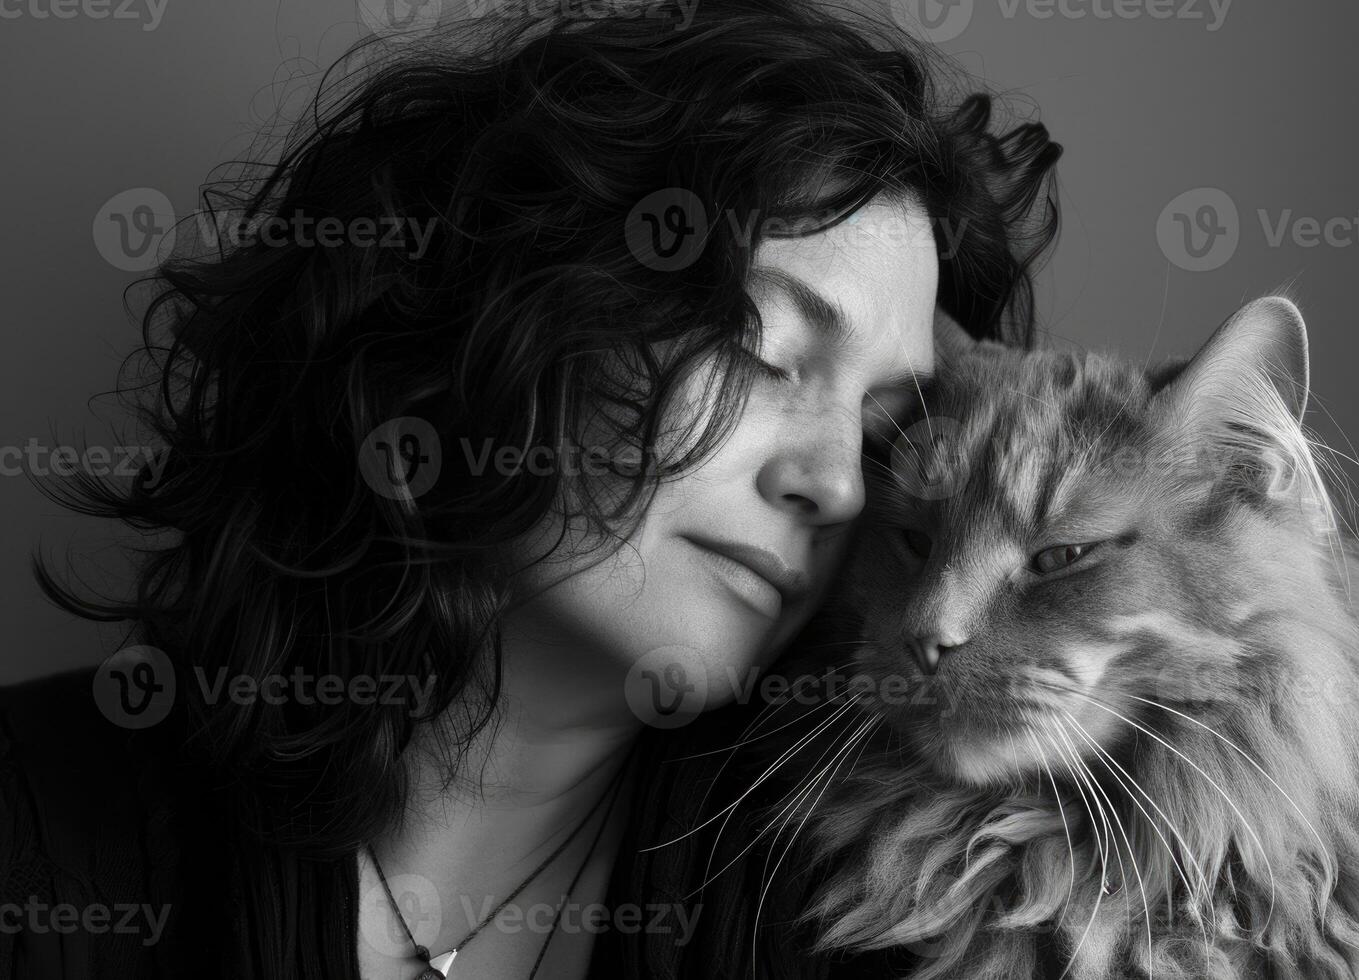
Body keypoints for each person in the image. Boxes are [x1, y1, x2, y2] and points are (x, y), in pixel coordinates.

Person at [0, 1, 1059, 976]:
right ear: (513, 308)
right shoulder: (45, 836)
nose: (832, 482)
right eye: (760, 345)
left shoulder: (865, 928)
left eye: (881, 427)